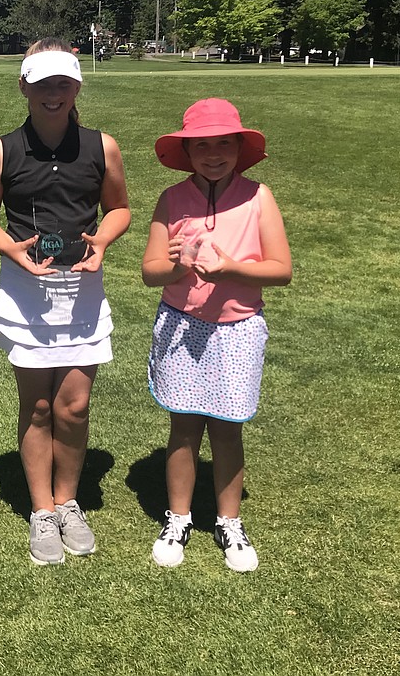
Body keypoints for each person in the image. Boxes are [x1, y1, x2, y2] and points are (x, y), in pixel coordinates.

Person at [0, 39, 131, 565]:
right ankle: (42, 510)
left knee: (75, 406)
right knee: (38, 405)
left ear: (77, 86)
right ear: (24, 86)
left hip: (82, 293)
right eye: (42, 84)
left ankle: (68, 501)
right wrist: (10, 249)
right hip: (27, 295)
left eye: (62, 83)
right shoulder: (2, 150)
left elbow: (119, 209)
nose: (52, 93)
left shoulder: (102, 146)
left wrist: (103, 242)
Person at [141, 98, 292, 571]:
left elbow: (281, 270)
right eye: (201, 145)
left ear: (239, 148)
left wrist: (229, 267)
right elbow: (150, 272)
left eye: (223, 143)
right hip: (182, 325)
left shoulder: (258, 197)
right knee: (183, 426)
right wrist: (176, 265)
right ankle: (179, 517)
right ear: (185, 152)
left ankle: (229, 521)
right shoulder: (172, 199)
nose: (212, 153)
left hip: (237, 329)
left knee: (227, 430)